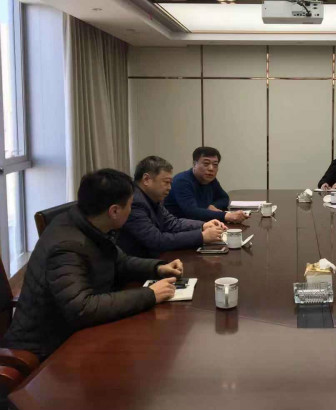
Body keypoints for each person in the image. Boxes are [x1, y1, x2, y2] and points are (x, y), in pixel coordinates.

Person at [1, 169, 183, 359]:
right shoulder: (66, 247)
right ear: (114, 211)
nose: (131, 210)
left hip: (74, 333)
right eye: (130, 205)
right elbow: (82, 308)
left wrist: (157, 267)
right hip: (46, 350)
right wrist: (150, 294)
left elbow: (120, 261)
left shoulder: (91, 224)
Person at [118, 156, 226, 258]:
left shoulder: (152, 197)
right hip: (139, 264)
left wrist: (203, 225)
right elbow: (156, 240)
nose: (170, 188)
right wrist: (201, 236)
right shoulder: (133, 202)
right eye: (166, 182)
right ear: (146, 179)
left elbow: (173, 223)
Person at [165, 147, 248, 224]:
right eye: (206, 164)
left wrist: (213, 206)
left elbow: (224, 198)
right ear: (194, 164)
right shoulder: (182, 181)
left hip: (200, 223)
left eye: (215, 165)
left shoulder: (210, 179)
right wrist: (226, 216)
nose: (211, 168)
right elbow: (192, 212)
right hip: (177, 226)